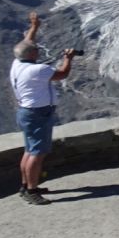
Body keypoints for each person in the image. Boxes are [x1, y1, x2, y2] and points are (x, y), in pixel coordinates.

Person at [10, 12, 76, 205]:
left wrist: (34, 27)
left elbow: (26, 43)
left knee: (30, 150)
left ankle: (26, 185)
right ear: (31, 55)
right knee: (37, 153)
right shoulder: (37, 70)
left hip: (26, 112)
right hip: (38, 113)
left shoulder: (16, 64)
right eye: (36, 50)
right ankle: (31, 190)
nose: (38, 51)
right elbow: (62, 74)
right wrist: (68, 58)